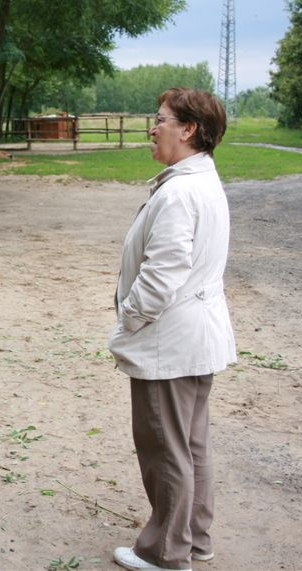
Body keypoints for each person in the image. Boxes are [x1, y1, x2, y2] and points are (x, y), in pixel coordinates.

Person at [109, 88, 237, 570]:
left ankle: (165, 552)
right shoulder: (198, 181)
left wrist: (130, 318)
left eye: (160, 119)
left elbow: (163, 274)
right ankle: (194, 541)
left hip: (172, 341)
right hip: (193, 337)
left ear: (188, 130)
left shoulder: (182, 190)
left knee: (165, 448)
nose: (152, 127)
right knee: (191, 446)